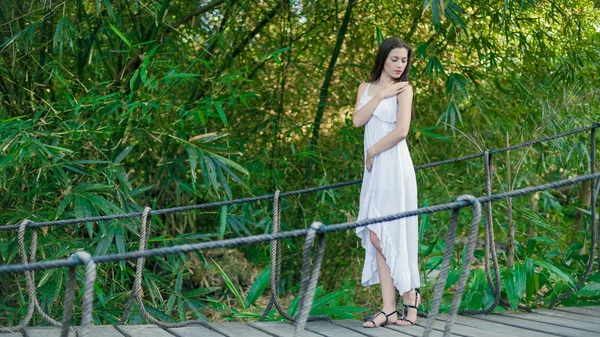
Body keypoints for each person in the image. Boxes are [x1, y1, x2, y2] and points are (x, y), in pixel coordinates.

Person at [353, 37, 420, 328]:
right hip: (375, 172)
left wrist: (372, 150)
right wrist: (380, 95)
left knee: (388, 233)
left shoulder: (405, 90)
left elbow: (402, 131)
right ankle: (391, 307)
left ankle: (407, 296)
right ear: (383, 58)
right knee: (376, 234)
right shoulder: (365, 89)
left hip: (393, 166)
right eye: (394, 59)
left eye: (404, 60)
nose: (399, 65)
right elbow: (357, 120)